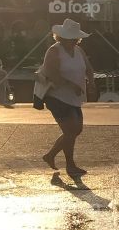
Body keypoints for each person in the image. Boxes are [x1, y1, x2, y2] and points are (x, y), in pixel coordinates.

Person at [40, 18, 95, 179]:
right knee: (71, 130)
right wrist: (73, 85)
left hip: (74, 97)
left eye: (74, 38)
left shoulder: (79, 50)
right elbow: (52, 74)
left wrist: (91, 82)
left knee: (76, 129)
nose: (73, 41)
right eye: (69, 38)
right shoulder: (54, 51)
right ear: (62, 37)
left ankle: (50, 155)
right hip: (56, 97)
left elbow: (89, 68)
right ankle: (70, 165)